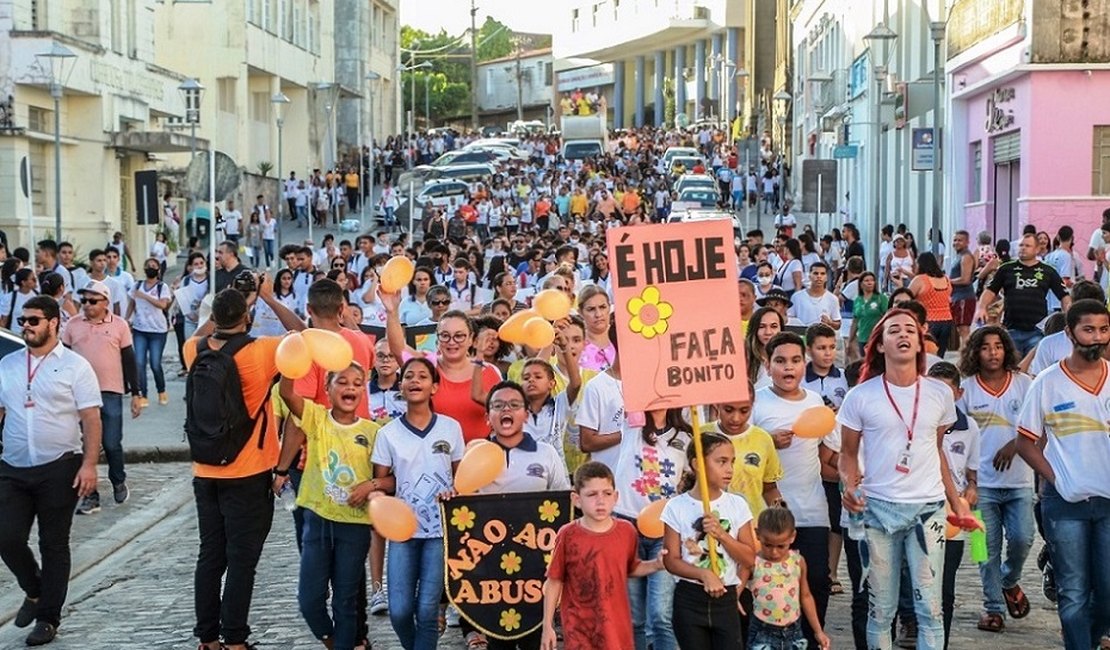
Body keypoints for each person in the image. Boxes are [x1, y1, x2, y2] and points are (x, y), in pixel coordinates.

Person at [838, 308, 975, 650]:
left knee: (930, 609)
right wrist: (850, 486)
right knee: (881, 611)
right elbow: (848, 454)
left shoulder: (940, 394)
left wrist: (957, 503)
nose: (903, 335)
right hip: (877, 511)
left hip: (928, 510)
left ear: (919, 343)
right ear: (880, 345)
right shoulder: (861, 396)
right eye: (893, 330)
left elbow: (936, 450)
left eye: (910, 330)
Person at [184, 287, 302, 650]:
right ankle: (235, 639)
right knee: (242, 561)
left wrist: (228, 308)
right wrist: (263, 295)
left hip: (205, 471)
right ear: (247, 317)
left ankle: (207, 638)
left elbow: (203, 332)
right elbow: (299, 332)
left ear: (215, 317)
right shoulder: (263, 351)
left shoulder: (194, 350)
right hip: (249, 472)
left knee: (210, 556)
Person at [0, 296, 102, 647]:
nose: (25, 326)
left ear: (54, 322)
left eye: (33, 320)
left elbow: (91, 418)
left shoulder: (75, 367)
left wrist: (90, 464)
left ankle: (48, 618)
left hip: (60, 465)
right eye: (22, 320)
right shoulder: (8, 365)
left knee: (53, 543)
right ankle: (35, 590)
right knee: (6, 537)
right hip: (12, 467)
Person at [1015, 298, 1110, 650]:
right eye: (1088, 330)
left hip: (1108, 501)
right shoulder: (1047, 382)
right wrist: (1057, 480)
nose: (1096, 338)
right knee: (1072, 591)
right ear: (1070, 333)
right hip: (1064, 501)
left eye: (1103, 329)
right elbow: (1025, 442)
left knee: (1107, 593)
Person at [277, 362, 380, 650]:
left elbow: (388, 479)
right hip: (318, 521)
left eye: (357, 383)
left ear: (364, 389)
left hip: (355, 526)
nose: (349, 388)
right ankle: (331, 639)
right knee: (309, 600)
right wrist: (292, 358)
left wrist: (370, 487)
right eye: (342, 382)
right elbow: (287, 393)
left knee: (346, 601)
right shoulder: (316, 418)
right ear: (327, 388)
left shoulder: (374, 432)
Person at [371, 358, 464, 650]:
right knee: (399, 611)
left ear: (434, 386)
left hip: (440, 532)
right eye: (408, 376)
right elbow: (384, 482)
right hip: (402, 532)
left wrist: (455, 491)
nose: (414, 381)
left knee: (426, 610)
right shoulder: (387, 434)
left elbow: (462, 477)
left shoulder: (451, 428)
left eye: (423, 376)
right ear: (401, 385)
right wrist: (373, 490)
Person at [751, 332, 835, 646]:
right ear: (767, 363)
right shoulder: (757, 402)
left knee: (816, 580)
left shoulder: (815, 402)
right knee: (767, 585)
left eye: (796, 360)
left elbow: (828, 452)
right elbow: (745, 452)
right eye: (781, 361)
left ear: (805, 363)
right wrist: (767, 441)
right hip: (768, 512)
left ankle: (813, 640)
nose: (789, 368)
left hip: (812, 508)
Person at [956, 326, 1035, 633]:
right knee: (982, 549)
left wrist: (1015, 444)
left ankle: (1010, 580)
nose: (993, 352)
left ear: (1006, 350)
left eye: (998, 346)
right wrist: (965, 479)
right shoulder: (966, 389)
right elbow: (956, 437)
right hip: (979, 485)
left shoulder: (1024, 384)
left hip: (1020, 481)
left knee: (1022, 539)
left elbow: (1038, 424)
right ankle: (992, 608)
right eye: (986, 347)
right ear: (975, 352)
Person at [541, 461, 666, 650]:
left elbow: (631, 568)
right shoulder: (568, 534)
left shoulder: (627, 531)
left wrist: (656, 564)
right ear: (576, 499)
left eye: (607, 494)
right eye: (591, 494)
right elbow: (554, 580)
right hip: (579, 629)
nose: (600, 501)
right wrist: (547, 626)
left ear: (615, 497)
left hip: (617, 628)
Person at [661, 432, 757, 650]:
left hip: (726, 598)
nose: (729, 469)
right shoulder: (676, 507)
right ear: (697, 464)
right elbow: (672, 560)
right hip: (689, 598)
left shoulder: (737, 505)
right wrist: (703, 574)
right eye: (721, 462)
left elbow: (750, 558)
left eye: (732, 462)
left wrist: (721, 535)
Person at [614, 408, 691, 650]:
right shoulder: (632, 424)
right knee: (635, 616)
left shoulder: (686, 436)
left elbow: (691, 479)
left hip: (665, 531)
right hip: (627, 526)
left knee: (659, 616)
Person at [63, 280, 142, 515]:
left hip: (110, 391)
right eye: (84, 300)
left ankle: (118, 479)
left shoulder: (119, 325)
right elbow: (64, 359)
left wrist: (137, 394)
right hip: (78, 394)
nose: (87, 305)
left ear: (105, 302)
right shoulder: (73, 325)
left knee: (111, 443)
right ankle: (90, 495)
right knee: (84, 446)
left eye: (93, 301)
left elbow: (129, 360)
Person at [926, 361, 980, 649]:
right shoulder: (919, 423)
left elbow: (973, 474)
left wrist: (971, 490)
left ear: (958, 394)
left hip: (953, 516)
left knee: (945, 585)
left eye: (947, 392)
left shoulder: (968, 426)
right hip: (922, 508)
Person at [740, 506, 831, 650]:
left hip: (793, 630)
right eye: (768, 545)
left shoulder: (797, 561)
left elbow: (805, 596)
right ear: (757, 534)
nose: (774, 552)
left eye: (781, 546)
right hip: (761, 630)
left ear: (792, 537)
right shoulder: (753, 562)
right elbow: (736, 589)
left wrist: (818, 631)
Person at [975, 233, 1069, 356]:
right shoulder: (1006, 269)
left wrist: (1068, 316)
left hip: (1037, 330)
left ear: (1037, 249)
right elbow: (990, 291)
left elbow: (1064, 295)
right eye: (1021, 245)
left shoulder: (1048, 271)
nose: (1023, 248)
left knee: (1033, 368)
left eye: (1027, 246)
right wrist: (982, 307)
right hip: (1011, 329)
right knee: (1013, 368)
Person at [127, 258, 172, 407]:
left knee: (155, 363)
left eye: (154, 266)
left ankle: (161, 390)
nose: (151, 268)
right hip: (140, 329)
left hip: (158, 330)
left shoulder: (162, 287)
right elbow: (132, 304)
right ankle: (143, 394)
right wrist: (126, 320)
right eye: (148, 266)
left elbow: (163, 304)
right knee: (139, 363)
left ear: (158, 269)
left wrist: (145, 296)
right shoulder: (137, 285)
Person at [910, 252, 955, 357]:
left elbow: (907, 296)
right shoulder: (946, 279)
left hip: (928, 321)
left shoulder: (920, 279)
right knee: (940, 355)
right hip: (947, 320)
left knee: (926, 355)